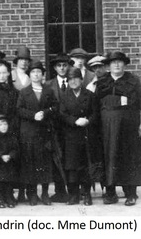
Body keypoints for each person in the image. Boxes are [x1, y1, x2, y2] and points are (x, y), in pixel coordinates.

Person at [96, 51, 141, 206]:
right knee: (108, 157)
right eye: (113, 62)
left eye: (120, 62)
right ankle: (110, 192)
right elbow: (94, 104)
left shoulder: (133, 81)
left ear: (124, 64)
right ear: (108, 66)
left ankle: (131, 193)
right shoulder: (102, 82)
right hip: (106, 127)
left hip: (129, 126)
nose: (116, 65)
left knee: (129, 157)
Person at [59, 67, 102, 205]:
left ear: (81, 80)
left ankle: (87, 194)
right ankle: (73, 195)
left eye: (76, 78)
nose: (73, 82)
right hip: (71, 136)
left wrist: (88, 121)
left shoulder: (90, 95)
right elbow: (62, 114)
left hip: (86, 134)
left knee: (85, 167)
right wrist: (74, 121)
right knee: (71, 167)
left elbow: (96, 113)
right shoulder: (64, 96)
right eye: (70, 79)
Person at [16, 60, 57, 206]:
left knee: (45, 163)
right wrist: (33, 115)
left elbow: (55, 107)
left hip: (45, 132)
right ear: (29, 75)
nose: (36, 74)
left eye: (39, 72)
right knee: (30, 163)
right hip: (29, 132)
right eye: (33, 72)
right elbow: (19, 110)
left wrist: (45, 113)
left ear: (43, 75)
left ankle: (45, 193)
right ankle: (32, 194)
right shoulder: (24, 92)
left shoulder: (48, 91)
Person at [44, 53, 74, 203]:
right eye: (59, 66)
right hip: (55, 129)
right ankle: (59, 191)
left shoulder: (74, 83)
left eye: (64, 65)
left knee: (71, 159)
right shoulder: (48, 85)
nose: (62, 68)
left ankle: (74, 190)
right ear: (55, 68)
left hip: (71, 128)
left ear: (68, 66)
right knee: (56, 159)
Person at [0, 115, 19, 209]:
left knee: (9, 182)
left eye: (5, 124)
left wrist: (10, 155)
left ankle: (9, 197)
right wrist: (1, 156)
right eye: (1, 124)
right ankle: (0, 198)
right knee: (0, 182)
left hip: (9, 163)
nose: (3, 126)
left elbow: (15, 149)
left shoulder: (12, 137)